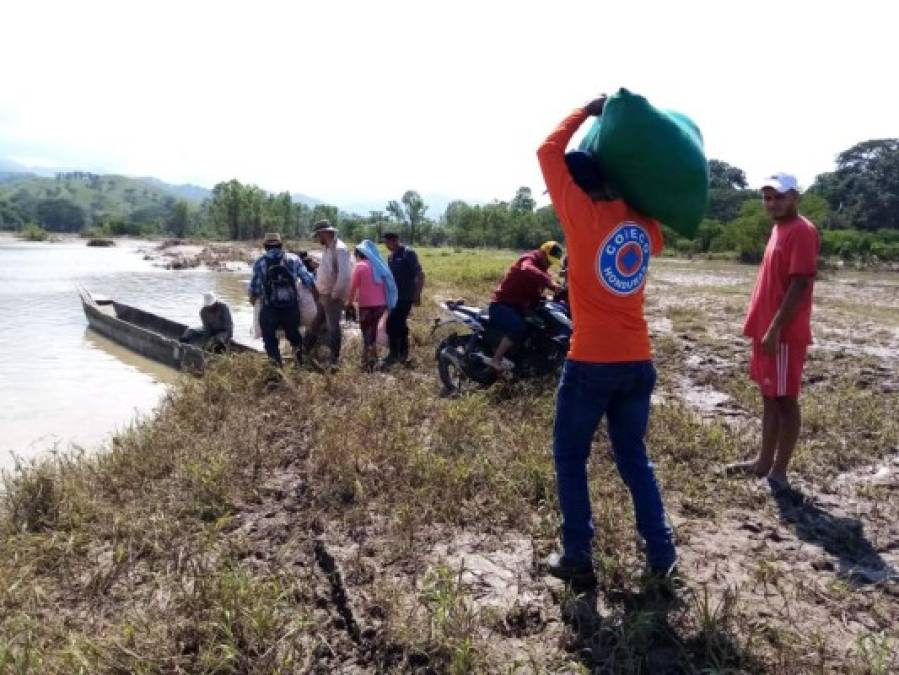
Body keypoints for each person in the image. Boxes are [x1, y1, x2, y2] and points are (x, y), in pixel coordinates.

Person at [537, 96, 676, 586]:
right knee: (634, 458)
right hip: (639, 360)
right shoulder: (642, 225)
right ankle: (661, 553)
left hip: (592, 362)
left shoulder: (579, 216)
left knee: (570, 457)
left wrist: (585, 110)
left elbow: (547, 151)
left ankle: (577, 555)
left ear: (578, 185)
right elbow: (655, 228)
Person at [726, 173, 820, 493]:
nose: (772, 202)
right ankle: (762, 462)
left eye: (778, 196)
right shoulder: (779, 228)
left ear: (794, 196)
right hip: (766, 330)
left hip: (782, 334)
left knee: (785, 401)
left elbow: (800, 283)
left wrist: (775, 328)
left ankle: (779, 471)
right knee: (769, 397)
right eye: (767, 197)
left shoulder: (802, 231)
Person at [485, 241, 562, 371]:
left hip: (518, 308)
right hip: (502, 305)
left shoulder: (542, 271)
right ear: (542, 253)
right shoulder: (528, 260)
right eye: (548, 261)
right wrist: (550, 283)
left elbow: (538, 290)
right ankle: (496, 359)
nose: (549, 265)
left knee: (539, 327)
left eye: (552, 263)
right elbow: (527, 269)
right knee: (518, 326)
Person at [248, 232, 314, 367]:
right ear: (281, 245)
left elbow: (254, 289)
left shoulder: (260, 262)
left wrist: (255, 303)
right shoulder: (294, 259)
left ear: (265, 246)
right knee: (294, 335)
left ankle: (277, 369)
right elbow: (309, 281)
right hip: (291, 308)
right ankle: (299, 363)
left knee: (269, 339)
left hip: (270, 309)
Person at [348, 239, 397, 370]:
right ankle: (372, 359)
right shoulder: (379, 265)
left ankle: (367, 364)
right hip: (381, 306)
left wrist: (349, 303)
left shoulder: (360, 266)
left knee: (366, 334)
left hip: (366, 306)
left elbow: (352, 287)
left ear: (359, 254)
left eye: (355, 255)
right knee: (373, 331)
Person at [308, 220, 352, 365]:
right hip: (324, 295)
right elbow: (330, 269)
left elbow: (345, 275)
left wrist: (335, 294)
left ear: (325, 233)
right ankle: (304, 351)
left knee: (333, 328)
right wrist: (317, 265)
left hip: (332, 296)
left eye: (318, 235)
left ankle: (333, 361)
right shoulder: (328, 248)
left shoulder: (340, 249)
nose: (317, 238)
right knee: (316, 323)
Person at [383, 232, 424, 366]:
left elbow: (420, 274)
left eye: (388, 242)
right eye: (385, 242)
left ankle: (395, 354)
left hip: (406, 296)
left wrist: (417, 295)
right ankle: (401, 354)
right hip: (394, 297)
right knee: (399, 324)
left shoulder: (408, 253)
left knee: (392, 324)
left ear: (395, 240)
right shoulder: (390, 257)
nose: (386, 245)